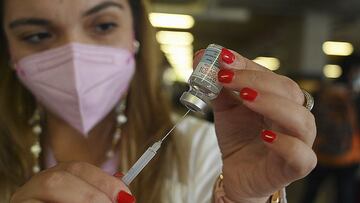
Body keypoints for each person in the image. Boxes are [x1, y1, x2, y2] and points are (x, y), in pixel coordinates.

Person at [0, 0, 317, 202]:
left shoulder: (206, 150)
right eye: (36, 35)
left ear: (135, 35)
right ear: (9, 50)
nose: (73, 54)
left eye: (103, 25)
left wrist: (245, 199)